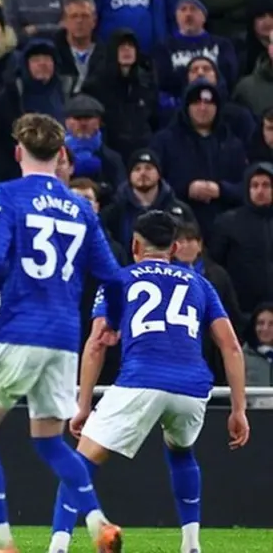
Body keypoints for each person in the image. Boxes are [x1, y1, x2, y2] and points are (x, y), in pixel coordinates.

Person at [0, 113, 124, 553]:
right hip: (64, 339)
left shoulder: (8, 195)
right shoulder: (81, 208)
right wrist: (113, 322)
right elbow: (114, 277)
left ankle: (0, 539)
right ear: (62, 154)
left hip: (18, 329)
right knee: (50, 441)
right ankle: (98, 522)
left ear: (18, 152)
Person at [51, 210, 250, 553]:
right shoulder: (200, 283)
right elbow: (231, 346)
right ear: (174, 248)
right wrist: (239, 408)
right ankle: (191, 544)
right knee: (181, 450)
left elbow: (97, 343)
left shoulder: (119, 280)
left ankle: (58, 546)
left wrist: (83, 405)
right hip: (192, 389)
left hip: (141, 380)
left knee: (80, 463)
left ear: (134, 245)